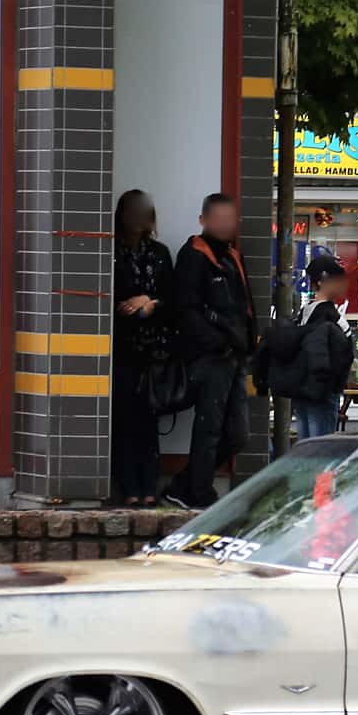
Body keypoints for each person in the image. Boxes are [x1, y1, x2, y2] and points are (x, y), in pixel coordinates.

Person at [167, 192, 257, 509]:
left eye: (229, 218)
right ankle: (200, 493)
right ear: (203, 220)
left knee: (238, 434)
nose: (225, 224)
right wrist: (216, 344)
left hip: (236, 357)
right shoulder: (193, 256)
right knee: (210, 427)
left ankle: (184, 485)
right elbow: (185, 309)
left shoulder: (233, 257)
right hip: (210, 358)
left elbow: (246, 306)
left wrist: (250, 343)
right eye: (218, 218)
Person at [111, 189, 176, 508]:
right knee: (122, 421)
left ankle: (150, 486)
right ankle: (129, 488)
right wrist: (133, 307)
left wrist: (149, 304)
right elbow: (110, 302)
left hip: (154, 352)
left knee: (148, 422)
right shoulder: (110, 251)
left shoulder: (160, 253)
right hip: (120, 349)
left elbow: (173, 299)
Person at [290, 256, 355, 441]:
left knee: (306, 445)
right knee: (321, 450)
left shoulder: (303, 313)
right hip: (323, 391)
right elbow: (344, 355)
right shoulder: (332, 317)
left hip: (302, 389)